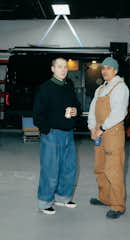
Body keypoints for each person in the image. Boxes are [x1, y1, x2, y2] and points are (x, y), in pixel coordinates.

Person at [33, 57, 81, 215]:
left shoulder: (68, 86)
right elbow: (37, 115)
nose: (63, 69)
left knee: (69, 168)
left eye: (65, 67)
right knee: (50, 169)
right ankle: (45, 202)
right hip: (52, 134)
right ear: (52, 69)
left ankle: (63, 197)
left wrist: (75, 111)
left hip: (69, 133)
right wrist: (48, 130)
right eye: (59, 67)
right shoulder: (45, 88)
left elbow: (77, 106)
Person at [88, 57, 129, 219]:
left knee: (114, 170)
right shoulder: (100, 89)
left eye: (108, 68)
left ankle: (118, 205)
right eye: (103, 68)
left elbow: (119, 113)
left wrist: (102, 128)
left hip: (112, 133)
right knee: (100, 167)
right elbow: (92, 110)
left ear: (115, 71)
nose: (105, 71)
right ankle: (104, 197)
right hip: (98, 132)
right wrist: (92, 128)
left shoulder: (121, 88)